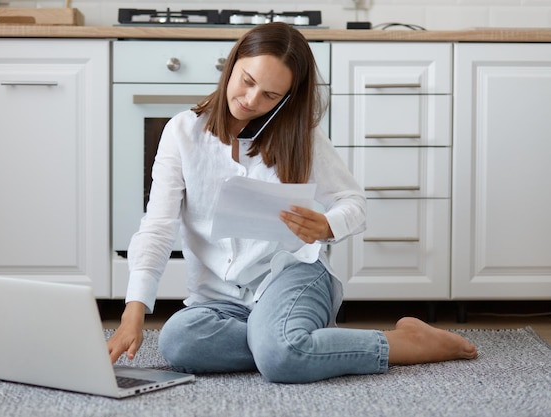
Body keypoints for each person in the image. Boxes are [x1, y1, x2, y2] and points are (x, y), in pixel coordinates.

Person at [107, 22, 477, 383]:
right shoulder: (182, 133)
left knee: (280, 358)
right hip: (220, 295)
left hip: (293, 273)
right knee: (179, 342)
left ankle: (404, 343)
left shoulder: (302, 138)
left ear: (286, 98)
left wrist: (328, 225)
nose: (251, 101)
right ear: (232, 63)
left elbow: (354, 203)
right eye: (247, 81)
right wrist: (133, 312)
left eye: (270, 96)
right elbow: (157, 226)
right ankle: (285, 339)